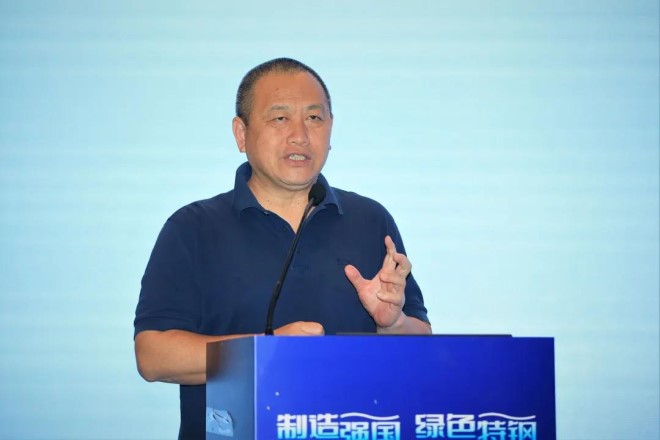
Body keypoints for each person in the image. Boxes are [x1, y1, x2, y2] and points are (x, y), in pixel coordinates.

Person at [134, 57, 432, 439]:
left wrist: (392, 324)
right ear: (241, 133)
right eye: (279, 118)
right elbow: (153, 356)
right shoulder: (192, 227)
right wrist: (267, 350)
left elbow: (421, 345)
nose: (300, 136)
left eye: (314, 118)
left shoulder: (370, 220)